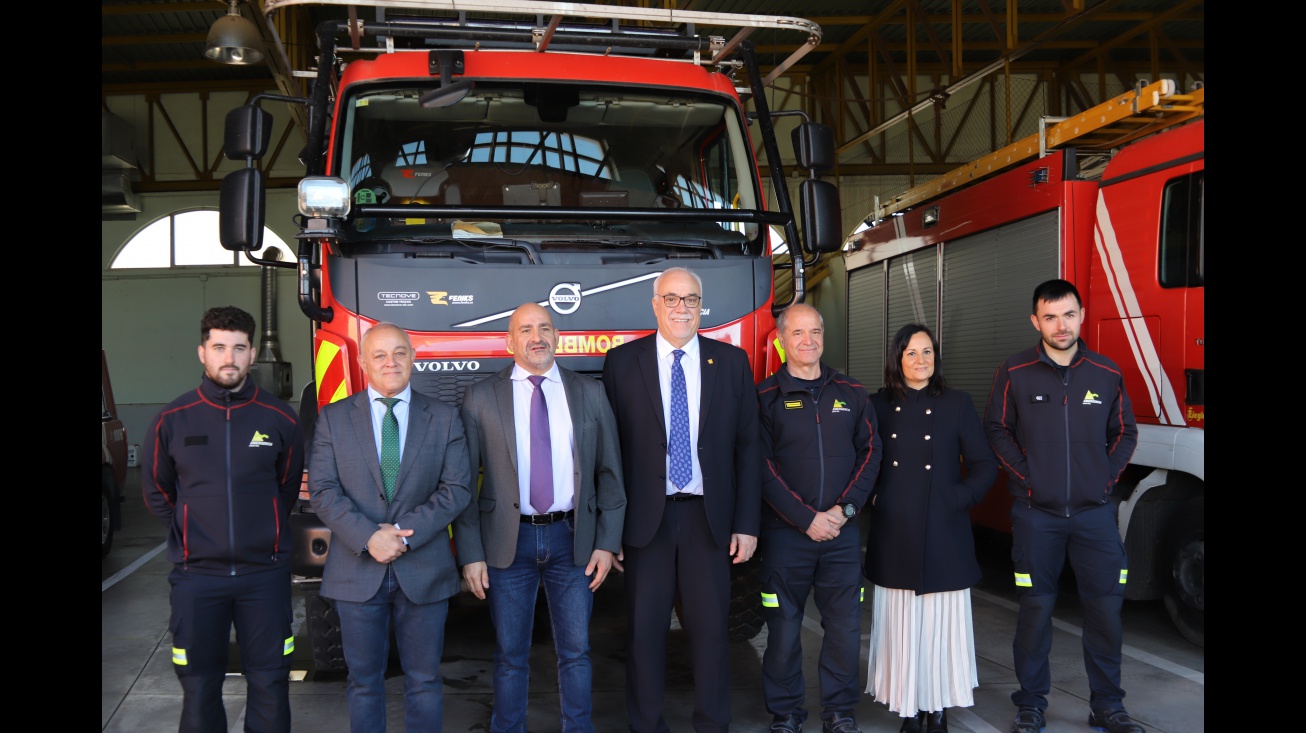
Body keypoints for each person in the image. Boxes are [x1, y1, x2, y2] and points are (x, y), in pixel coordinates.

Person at [601, 266, 762, 733]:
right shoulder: (622, 363)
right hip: (644, 524)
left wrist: (747, 524)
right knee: (644, 636)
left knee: (712, 636)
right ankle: (646, 725)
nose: (681, 308)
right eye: (671, 299)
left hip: (707, 522)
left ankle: (712, 724)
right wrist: (610, 533)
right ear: (655, 305)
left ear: (700, 306)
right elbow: (608, 456)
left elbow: (749, 449)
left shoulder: (730, 364)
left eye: (690, 299)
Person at [453, 302, 627, 732]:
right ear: (509, 341)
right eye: (526, 329)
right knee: (510, 654)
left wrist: (606, 543)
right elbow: (462, 486)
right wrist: (470, 554)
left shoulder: (589, 392)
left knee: (576, 651)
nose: (537, 336)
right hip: (507, 543)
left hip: (575, 539)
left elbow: (610, 473)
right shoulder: (479, 397)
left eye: (545, 328)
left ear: (557, 337)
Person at [983, 279, 1141, 733]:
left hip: (1094, 516)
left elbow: (1125, 432)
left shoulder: (1106, 373)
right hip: (1037, 517)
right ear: (1036, 321)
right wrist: (1031, 481)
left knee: (1106, 612)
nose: (1060, 325)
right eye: (1050, 317)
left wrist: (1103, 479)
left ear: (1082, 315)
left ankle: (1108, 705)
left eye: (1068, 314)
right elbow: (996, 429)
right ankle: (1031, 703)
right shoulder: (1014, 372)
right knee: (1035, 610)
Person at [142, 305, 304, 733]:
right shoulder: (171, 421)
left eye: (238, 347)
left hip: (263, 578)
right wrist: (190, 533)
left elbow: (286, 488)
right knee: (198, 686)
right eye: (219, 347)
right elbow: (158, 492)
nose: (228, 357)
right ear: (202, 353)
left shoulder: (280, 418)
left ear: (253, 354)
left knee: (270, 682)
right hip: (197, 580)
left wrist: (262, 528)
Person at [308, 322, 474, 733]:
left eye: (399, 352)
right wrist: (369, 536)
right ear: (363, 362)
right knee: (364, 683)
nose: (390, 362)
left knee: (424, 681)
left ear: (413, 357)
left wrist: (399, 533)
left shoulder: (445, 417)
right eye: (379, 355)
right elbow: (323, 491)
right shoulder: (332, 419)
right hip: (356, 571)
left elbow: (456, 490)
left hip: (423, 569)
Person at [863, 324, 999, 733]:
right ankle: (907, 705)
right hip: (895, 531)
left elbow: (984, 465)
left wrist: (955, 499)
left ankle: (937, 707)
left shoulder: (957, 403)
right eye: (911, 353)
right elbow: (862, 462)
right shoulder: (876, 405)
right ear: (896, 359)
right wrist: (873, 499)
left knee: (941, 626)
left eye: (927, 352)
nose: (921, 361)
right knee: (902, 626)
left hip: (944, 532)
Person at [756, 303, 881, 733]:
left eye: (815, 332)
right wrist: (805, 518)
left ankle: (839, 713)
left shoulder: (852, 392)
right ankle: (786, 714)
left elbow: (871, 453)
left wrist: (843, 511)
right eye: (797, 333)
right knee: (784, 634)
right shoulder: (765, 398)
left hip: (841, 538)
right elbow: (761, 467)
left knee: (845, 632)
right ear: (781, 339)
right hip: (785, 538)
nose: (807, 340)